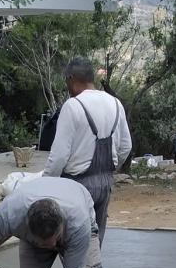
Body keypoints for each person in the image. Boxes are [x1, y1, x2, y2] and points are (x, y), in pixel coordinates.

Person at [42, 57, 132, 245]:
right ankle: (94, 265)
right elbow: (126, 147)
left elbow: (59, 156)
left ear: (71, 78)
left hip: (77, 186)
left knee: (74, 245)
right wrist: (109, 171)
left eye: (66, 81)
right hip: (105, 184)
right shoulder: (115, 103)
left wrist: (45, 186)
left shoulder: (72, 106)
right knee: (95, 243)